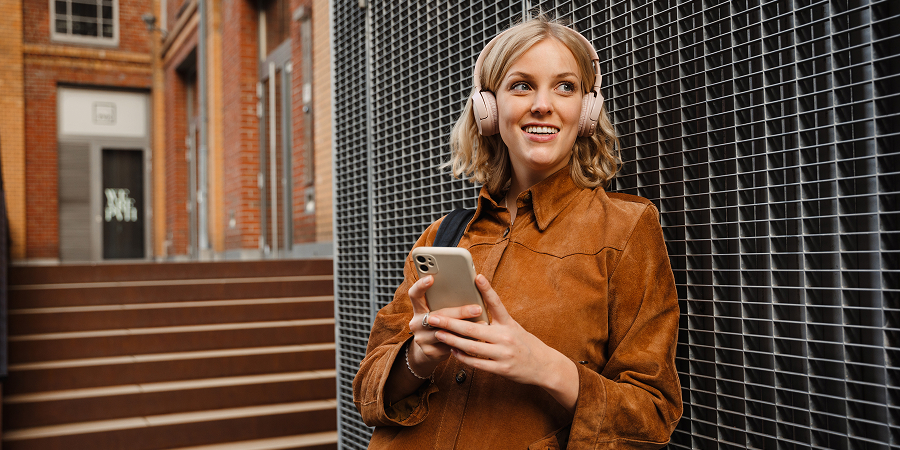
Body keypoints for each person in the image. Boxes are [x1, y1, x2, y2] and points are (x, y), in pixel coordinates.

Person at [353, 15, 682, 449]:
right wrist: (420, 355)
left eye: (565, 87)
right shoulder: (443, 236)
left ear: (587, 110)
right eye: (521, 85)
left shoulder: (626, 229)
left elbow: (654, 415)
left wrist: (545, 366)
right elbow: (367, 396)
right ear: (488, 109)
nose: (542, 104)